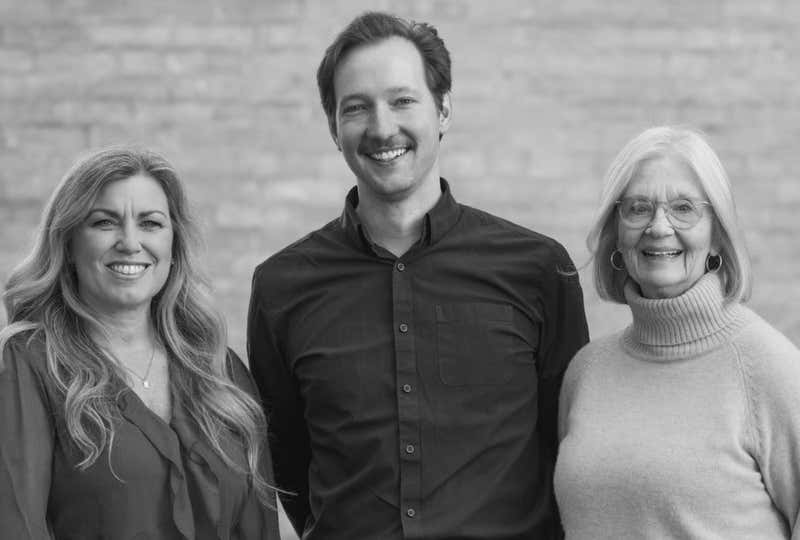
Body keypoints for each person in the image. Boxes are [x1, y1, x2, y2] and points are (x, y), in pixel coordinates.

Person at [247, 11, 589, 540]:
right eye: (357, 107)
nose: (383, 128)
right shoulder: (281, 287)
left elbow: (569, 445)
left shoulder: (538, 270)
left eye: (403, 100)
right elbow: (288, 461)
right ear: (334, 129)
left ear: (444, 109)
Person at [0, 147, 279, 539]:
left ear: (173, 245)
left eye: (150, 223)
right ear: (68, 245)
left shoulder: (220, 371)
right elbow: (16, 526)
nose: (130, 242)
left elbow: (258, 527)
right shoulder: (29, 364)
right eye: (104, 223)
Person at [555, 125, 800, 538]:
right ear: (617, 233)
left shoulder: (766, 366)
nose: (658, 226)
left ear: (717, 236)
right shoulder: (586, 372)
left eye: (684, 208)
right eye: (638, 208)